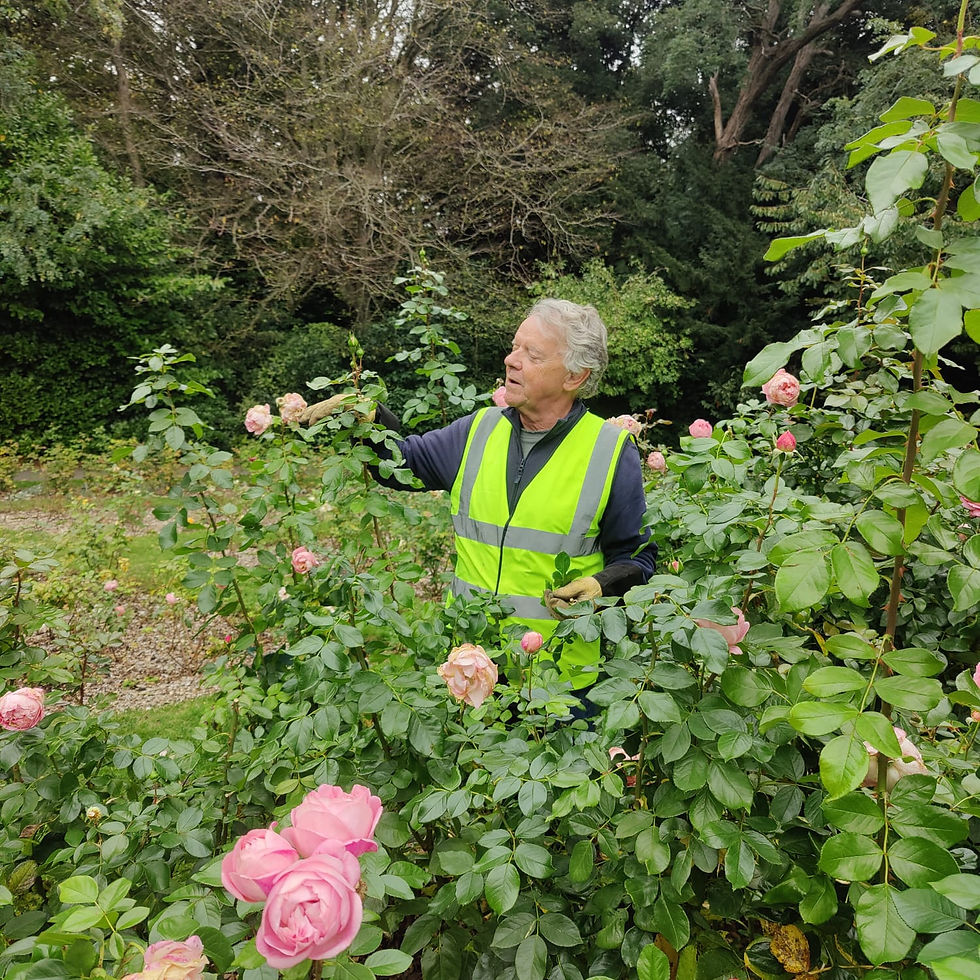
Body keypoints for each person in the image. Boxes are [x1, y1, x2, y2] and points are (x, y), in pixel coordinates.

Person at [302, 298, 655, 690]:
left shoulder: (608, 449)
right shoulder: (478, 430)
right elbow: (403, 462)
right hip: (472, 675)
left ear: (574, 376)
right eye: (514, 346)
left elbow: (637, 558)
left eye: (531, 354)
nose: (511, 359)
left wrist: (601, 585)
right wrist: (368, 418)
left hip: (561, 685)